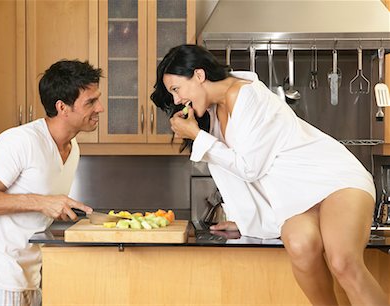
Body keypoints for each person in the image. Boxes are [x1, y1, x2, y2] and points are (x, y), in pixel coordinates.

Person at [151, 44, 389, 306]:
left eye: (176, 89)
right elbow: (241, 178)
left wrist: (197, 136)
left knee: (342, 261)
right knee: (300, 245)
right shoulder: (213, 114)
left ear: (198, 75)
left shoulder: (250, 95)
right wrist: (246, 219)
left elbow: (249, 167)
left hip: (335, 180)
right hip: (296, 200)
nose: (175, 100)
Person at [0, 60, 102, 306]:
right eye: (91, 102)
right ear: (62, 107)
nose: (100, 108)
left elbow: (35, 206)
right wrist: (41, 202)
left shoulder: (72, 148)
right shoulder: (21, 141)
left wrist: (53, 208)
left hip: (30, 279)